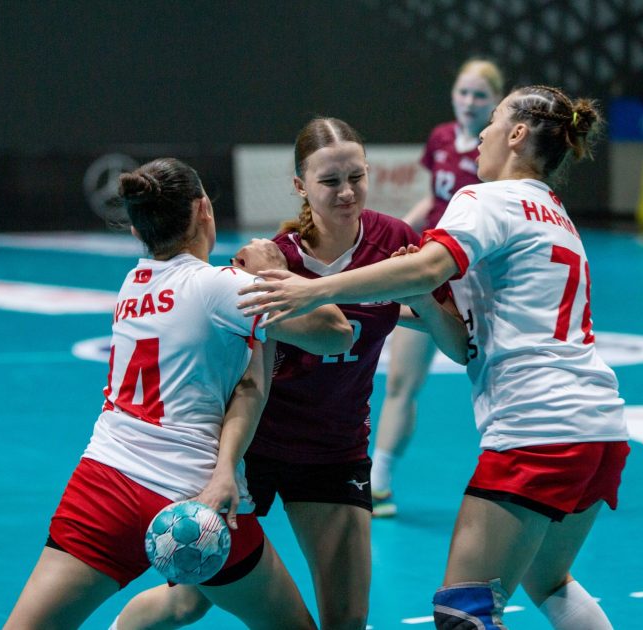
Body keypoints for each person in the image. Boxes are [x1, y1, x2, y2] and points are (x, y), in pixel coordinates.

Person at [240, 86, 626, 630]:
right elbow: (455, 324)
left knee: (464, 611)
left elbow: (426, 269)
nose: (482, 133)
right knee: (549, 581)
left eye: (493, 120)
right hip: (600, 423)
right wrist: (407, 299)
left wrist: (313, 290)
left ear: (517, 134)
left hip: (537, 423)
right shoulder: (554, 212)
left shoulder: (484, 199)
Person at [115, 118, 461, 630]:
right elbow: (249, 371)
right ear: (301, 186)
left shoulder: (396, 243)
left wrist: (422, 302)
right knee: (188, 602)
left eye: (356, 176)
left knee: (347, 621)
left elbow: (453, 341)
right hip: (257, 447)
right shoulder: (272, 260)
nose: (346, 192)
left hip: (334, 450)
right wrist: (222, 466)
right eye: (330, 181)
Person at [4, 158, 354, 630]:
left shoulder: (133, 284)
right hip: (193, 493)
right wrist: (275, 272)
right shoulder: (220, 287)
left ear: (137, 230)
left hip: (104, 482)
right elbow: (336, 334)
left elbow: (248, 378)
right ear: (203, 208)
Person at [371, 58, 504, 518]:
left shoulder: (496, 152)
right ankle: (378, 483)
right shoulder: (441, 138)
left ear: (495, 101)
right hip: (431, 271)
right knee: (401, 383)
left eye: (480, 95)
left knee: (493, 379)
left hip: (473, 277)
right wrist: (397, 232)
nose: (469, 102)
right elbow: (435, 198)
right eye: (463, 92)